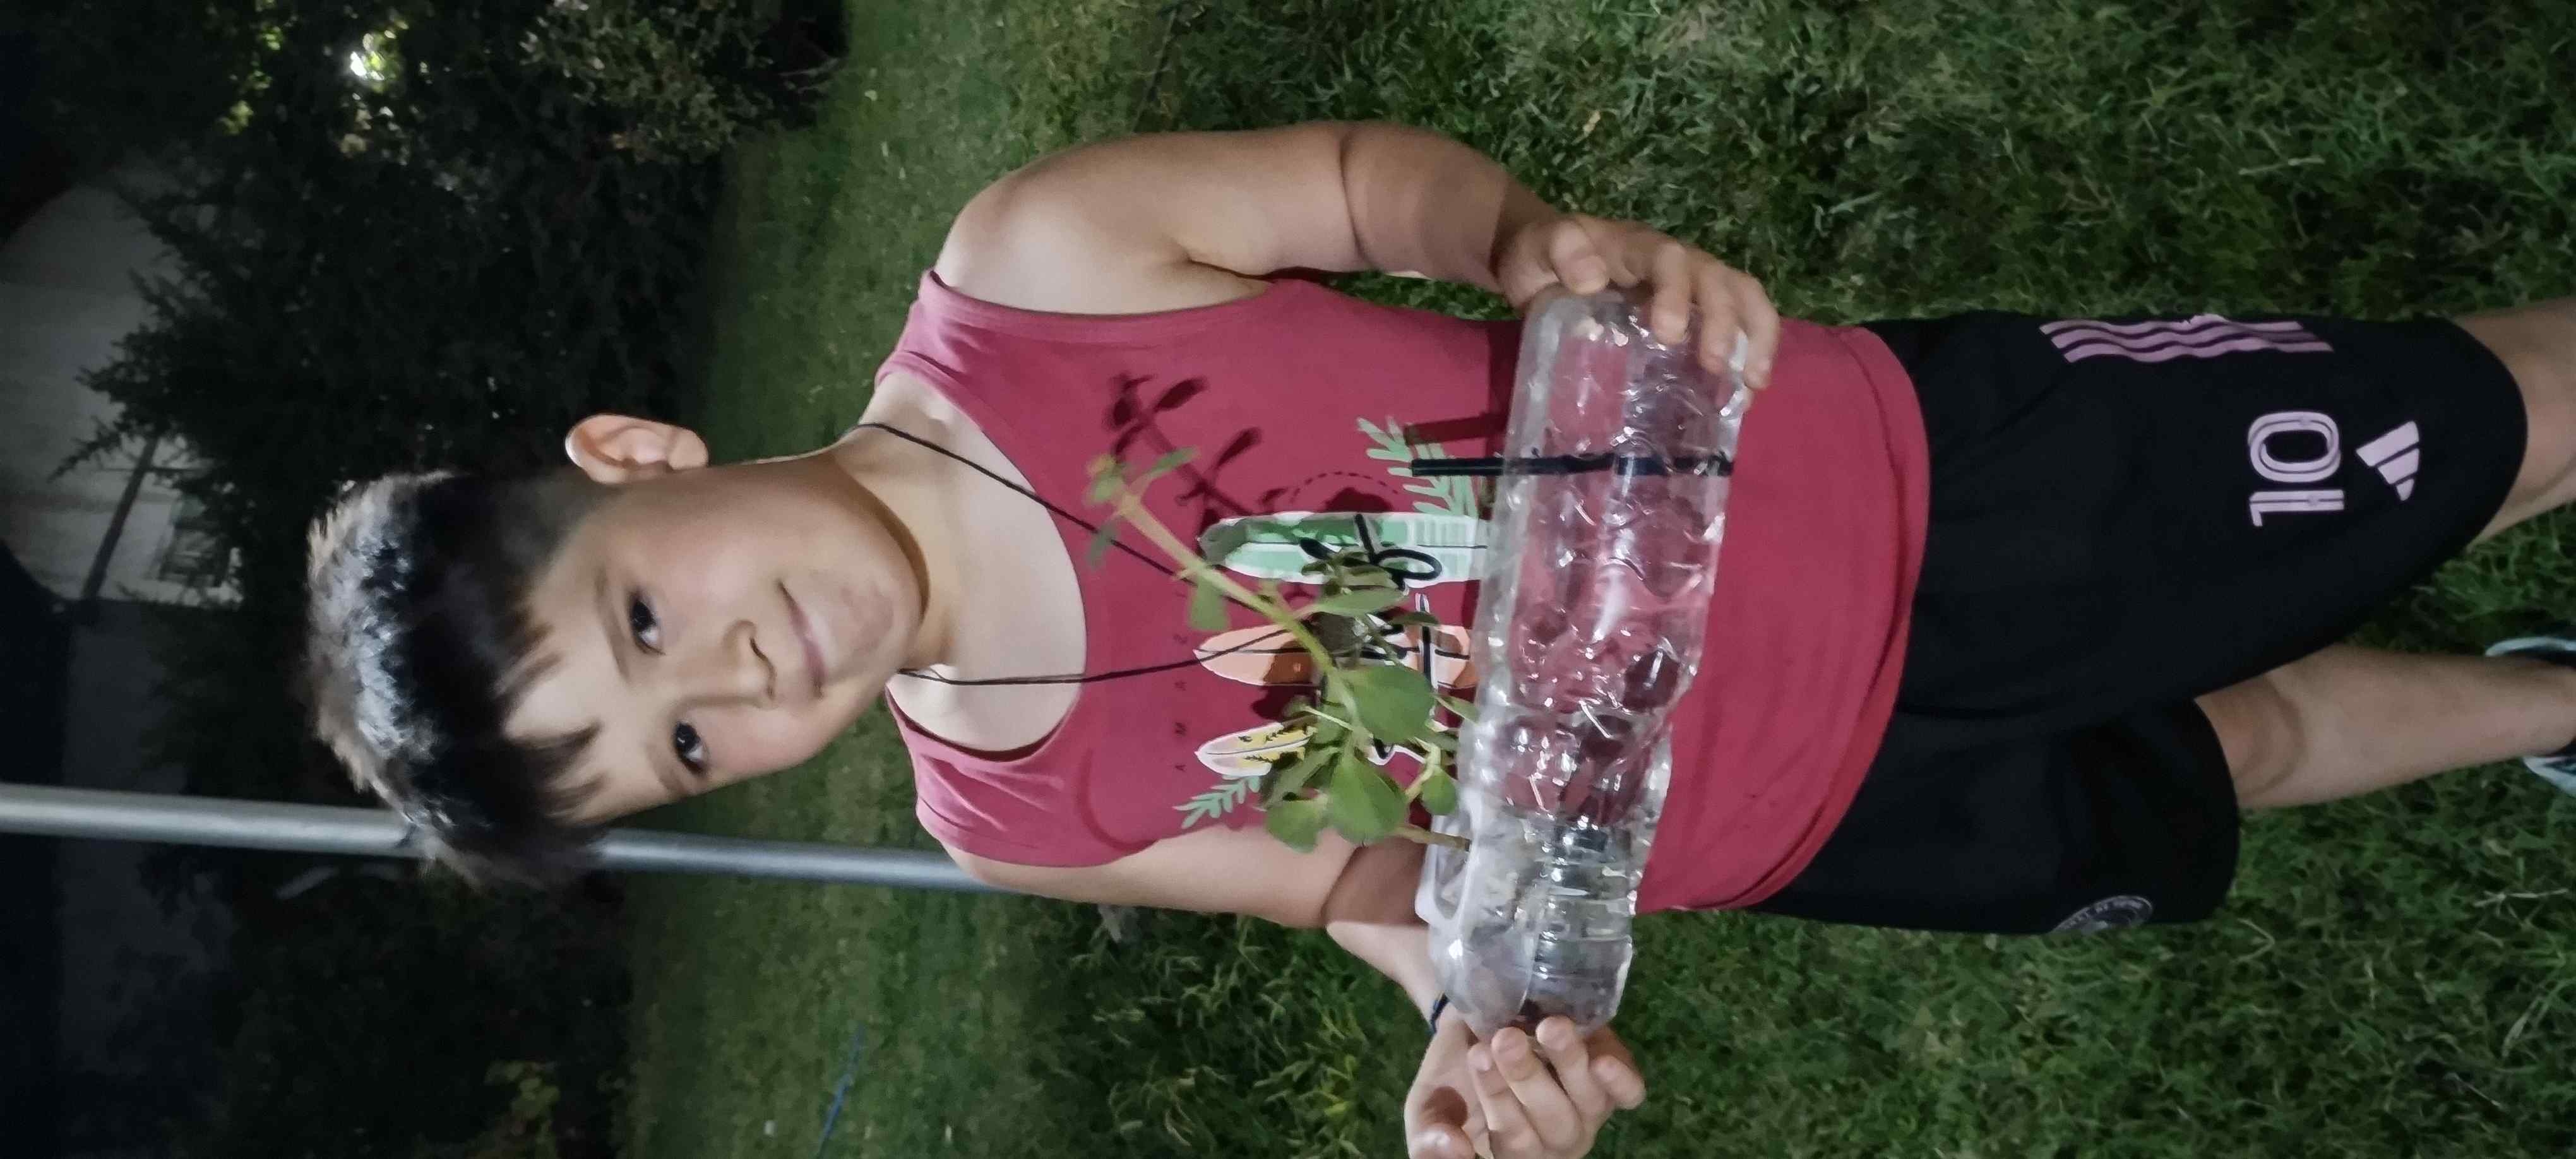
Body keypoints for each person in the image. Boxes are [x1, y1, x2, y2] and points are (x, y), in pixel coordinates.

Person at [301, 121, 2576, 1159]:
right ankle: (2550, 702)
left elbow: (1361, 189)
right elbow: (1359, 884)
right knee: (2231, 750)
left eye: (646, 617)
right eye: (686, 749)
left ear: (635, 452)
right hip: (1807, 816)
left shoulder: (1036, 270)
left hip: (1906, 485)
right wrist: (1469, 1032)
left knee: (2482, 431)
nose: (742, 680)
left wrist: (1527, 243)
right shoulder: (1006, 810)